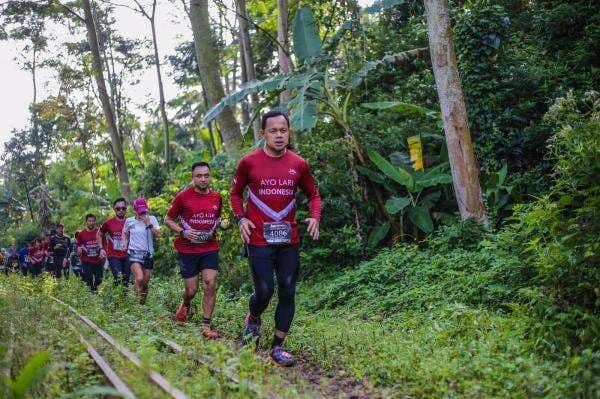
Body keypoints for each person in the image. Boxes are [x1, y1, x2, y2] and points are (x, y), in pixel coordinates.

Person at [230, 110, 322, 367]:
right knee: (264, 290)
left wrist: (315, 216)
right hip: (258, 238)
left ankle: (277, 347)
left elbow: (314, 195)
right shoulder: (249, 162)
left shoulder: (299, 163)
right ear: (263, 134)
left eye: (283, 130)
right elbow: (235, 194)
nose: (279, 135)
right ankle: (254, 317)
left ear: (288, 132)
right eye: (273, 131)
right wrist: (241, 219)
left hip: (288, 240)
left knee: (288, 289)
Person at [165, 161, 222, 339]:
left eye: (206, 175)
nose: (203, 179)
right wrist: (183, 232)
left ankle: (206, 325)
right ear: (192, 178)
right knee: (191, 290)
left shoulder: (217, 198)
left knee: (210, 283)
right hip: (188, 250)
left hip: (209, 248)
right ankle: (186, 303)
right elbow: (168, 219)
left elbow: (217, 218)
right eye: (199, 176)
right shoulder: (183, 197)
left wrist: (221, 224)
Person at [122, 198, 160, 303]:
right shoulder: (129, 221)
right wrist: (124, 242)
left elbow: (158, 234)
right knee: (139, 278)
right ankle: (136, 305)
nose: (142, 213)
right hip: (133, 253)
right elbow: (124, 232)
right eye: (140, 211)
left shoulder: (152, 219)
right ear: (135, 210)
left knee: (145, 283)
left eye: (144, 211)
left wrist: (149, 224)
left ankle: (142, 304)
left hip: (148, 254)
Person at [98, 198, 130, 285]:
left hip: (127, 255)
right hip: (113, 255)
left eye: (123, 208)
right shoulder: (108, 223)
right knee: (119, 277)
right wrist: (101, 249)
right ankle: (117, 296)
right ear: (114, 209)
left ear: (126, 209)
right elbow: (99, 234)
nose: (121, 210)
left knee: (126, 280)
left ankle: (122, 298)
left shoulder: (130, 222)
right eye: (118, 208)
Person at [75, 214, 105, 292]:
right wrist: (78, 248)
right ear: (86, 222)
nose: (91, 223)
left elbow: (104, 242)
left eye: (93, 221)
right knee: (88, 278)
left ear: (95, 221)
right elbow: (78, 244)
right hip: (86, 260)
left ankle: (96, 289)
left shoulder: (99, 232)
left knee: (99, 278)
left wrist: (103, 251)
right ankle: (91, 293)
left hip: (98, 259)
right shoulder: (81, 233)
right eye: (89, 221)